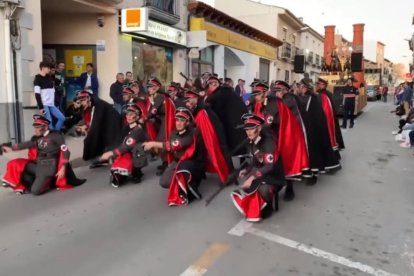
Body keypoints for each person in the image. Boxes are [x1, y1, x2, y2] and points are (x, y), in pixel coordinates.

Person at [250, 81, 309, 200]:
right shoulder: (260, 103)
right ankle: (272, 182)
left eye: (259, 94)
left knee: (285, 160)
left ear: (265, 93)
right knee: (270, 160)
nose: (256, 97)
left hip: (285, 134)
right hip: (273, 134)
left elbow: (266, 124)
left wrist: (255, 132)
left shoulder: (273, 104)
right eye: (255, 94)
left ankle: (289, 188)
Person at [1, 115, 85, 195]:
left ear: (45, 127)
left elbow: (66, 151)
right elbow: (28, 144)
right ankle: (30, 181)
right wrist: (11, 148)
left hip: (48, 167)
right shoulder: (39, 138)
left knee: (35, 191)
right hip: (37, 165)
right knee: (16, 164)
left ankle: (48, 182)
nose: (36, 130)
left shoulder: (56, 136)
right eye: (35, 127)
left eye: (38, 127)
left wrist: (62, 169)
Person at [143, 108, 204, 206]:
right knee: (164, 182)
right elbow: (168, 148)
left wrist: (153, 143)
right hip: (176, 162)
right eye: (177, 120)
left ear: (187, 122)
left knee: (183, 174)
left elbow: (173, 146)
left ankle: (189, 186)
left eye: (182, 120)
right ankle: (180, 183)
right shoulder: (174, 133)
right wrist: (154, 149)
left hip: (190, 164)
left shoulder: (191, 135)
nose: (178, 123)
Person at [231, 113, 285, 222]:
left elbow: (270, 166)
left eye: (252, 129)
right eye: (247, 129)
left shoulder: (268, 141)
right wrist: (246, 170)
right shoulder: (252, 141)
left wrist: (252, 178)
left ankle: (268, 204)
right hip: (262, 172)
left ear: (259, 128)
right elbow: (255, 160)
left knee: (261, 188)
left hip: (273, 175)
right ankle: (255, 203)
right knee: (244, 177)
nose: (249, 132)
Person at [184, 88, 233, 184]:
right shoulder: (199, 107)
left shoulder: (202, 109)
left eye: (189, 100)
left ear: (195, 98)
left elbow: (203, 125)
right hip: (213, 131)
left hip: (216, 133)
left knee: (220, 153)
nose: (187, 103)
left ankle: (228, 176)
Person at [296, 79, 341, 178]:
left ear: (304, 88)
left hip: (314, 127)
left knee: (316, 148)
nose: (297, 88)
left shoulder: (316, 97)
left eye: (299, 86)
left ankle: (316, 168)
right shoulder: (311, 96)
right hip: (313, 126)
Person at [100, 104, 147, 187]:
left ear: (137, 117)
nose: (128, 116)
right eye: (127, 114)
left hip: (136, 154)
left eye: (131, 114)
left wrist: (111, 153)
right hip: (127, 152)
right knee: (116, 177)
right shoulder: (126, 127)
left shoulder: (138, 130)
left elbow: (127, 146)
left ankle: (137, 171)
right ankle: (129, 171)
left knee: (135, 149)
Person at [203, 74, 248, 157]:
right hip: (240, 126)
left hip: (231, 129)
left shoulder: (214, 98)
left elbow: (215, 119)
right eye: (211, 83)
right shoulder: (228, 92)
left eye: (215, 82)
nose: (213, 84)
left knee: (235, 151)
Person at [76, 90, 122, 167]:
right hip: (106, 121)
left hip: (112, 122)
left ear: (88, 99)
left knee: (94, 137)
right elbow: (90, 119)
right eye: (80, 101)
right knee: (97, 137)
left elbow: (95, 122)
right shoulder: (91, 105)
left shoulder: (97, 105)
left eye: (83, 101)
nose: (82, 103)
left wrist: (88, 129)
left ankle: (103, 158)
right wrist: (86, 126)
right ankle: (101, 158)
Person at [147, 77, 176, 176]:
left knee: (161, 142)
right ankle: (166, 162)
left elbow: (153, 111)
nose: (149, 89)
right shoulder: (156, 96)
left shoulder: (159, 96)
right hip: (163, 122)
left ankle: (166, 164)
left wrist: (144, 118)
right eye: (148, 87)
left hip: (167, 122)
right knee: (161, 142)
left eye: (151, 87)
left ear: (157, 87)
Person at [34, 61, 66, 131]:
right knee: (49, 122)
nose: (49, 70)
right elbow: (37, 94)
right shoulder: (37, 79)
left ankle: (55, 133)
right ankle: (52, 137)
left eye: (50, 68)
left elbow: (54, 88)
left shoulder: (49, 77)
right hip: (44, 104)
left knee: (62, 118)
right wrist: (41, 107)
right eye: (48, 68)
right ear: (42, 68)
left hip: (51, 104)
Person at [316, 78, 345, 153]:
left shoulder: (323, 94)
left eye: (319, 84)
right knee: (334, 132)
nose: (317, 85)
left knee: (332, 133)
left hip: (328, 117)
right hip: (331, 116)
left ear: (323, 85)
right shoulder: (325, 93)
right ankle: (337, 146)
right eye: (317, 84)